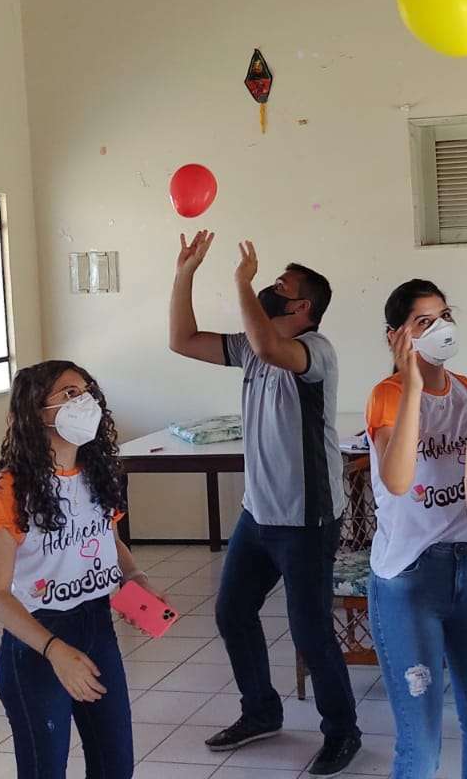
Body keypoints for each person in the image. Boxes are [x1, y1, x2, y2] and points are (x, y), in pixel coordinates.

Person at [169, 232, 361, 775]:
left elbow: (272, 347)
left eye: (283, 285)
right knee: (232, 611)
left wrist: (241, 282)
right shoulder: (250, 349)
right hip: (259, 514)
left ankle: (342, 732)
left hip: (306, 520)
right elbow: (182, 339)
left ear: (303, 307)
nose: (272, 288)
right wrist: (185, 272)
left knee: (309, 632)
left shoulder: (314, 352)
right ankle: (261, 712)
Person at [0, 361, 157, 779]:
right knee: (44, 768)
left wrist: (137, 581)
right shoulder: (11, 488)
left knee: (114, 765)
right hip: (37, 643)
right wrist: (54, 651)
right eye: (69, 394)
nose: (83, 400)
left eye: (87, 391)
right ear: (37, 411)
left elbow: (108, 538)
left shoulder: (97, 472)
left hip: (96, 628)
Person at [364, 279, 467, 779]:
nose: (440, 328)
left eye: (444, 316)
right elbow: (397, 480)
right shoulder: (388, 395)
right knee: (422, 738)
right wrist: (411, 381)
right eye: (423, 322)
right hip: (409, 577)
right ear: (398, 336)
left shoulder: (465, 389)